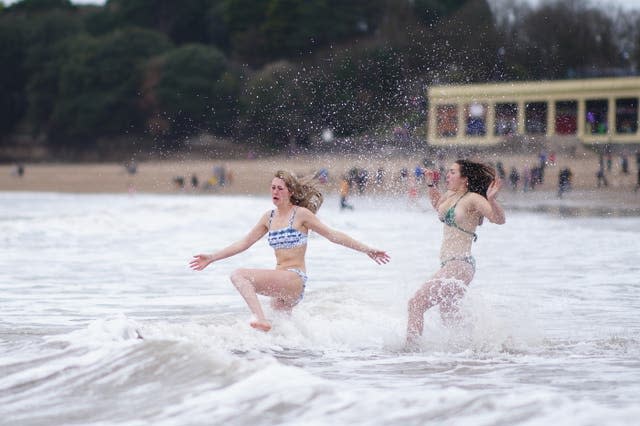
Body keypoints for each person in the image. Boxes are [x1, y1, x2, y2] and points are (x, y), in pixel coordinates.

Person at [190, 170, 390, 332]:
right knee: (280, 334)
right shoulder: (268, 217)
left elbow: (333, 235)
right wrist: (212, 257)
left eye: (280, 188)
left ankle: (260, 318)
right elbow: (243, 243)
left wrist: (367, 250)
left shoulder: (301, 214)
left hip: (294, 278)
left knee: (239, 276)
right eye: (272, 188)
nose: (275, 192)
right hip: (281, 284)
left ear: (290, 191)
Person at [406, 159, 505, 348]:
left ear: (464, 178)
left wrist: (491, 200)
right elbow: (438, 206)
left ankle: (409, 354)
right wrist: (430, 184)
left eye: (452, 172)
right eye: (448, 171)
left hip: (460, 264)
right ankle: (480, 347)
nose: (447, 175)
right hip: (449, 264)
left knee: (415, 303)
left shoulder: (474, 199)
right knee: (449, 316)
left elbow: (499, 220)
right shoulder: (451, 194)